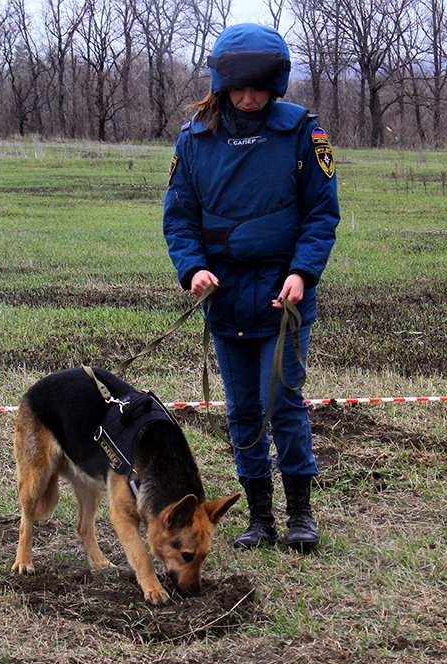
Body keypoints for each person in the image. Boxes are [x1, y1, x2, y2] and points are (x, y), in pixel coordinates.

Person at [162, 23, 339, 553]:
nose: (248, 98)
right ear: (221, 83)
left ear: (275, 84)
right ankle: (259, 517)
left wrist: (301, 274)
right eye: (238, 88)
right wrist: (193, 268)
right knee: (241, 410)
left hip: (284, 298)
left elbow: (321, 216)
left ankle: (300, 515)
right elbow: (180, 219)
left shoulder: (305, 135)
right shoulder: (194, 140)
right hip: (226, 297)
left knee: (281, 403)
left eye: (258, 88)